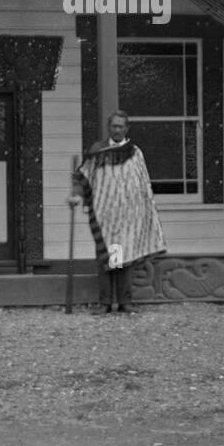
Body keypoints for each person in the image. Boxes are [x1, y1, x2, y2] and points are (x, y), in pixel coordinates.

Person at [72, 110, 167, 313]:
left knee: (124, 257)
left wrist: (144, 209)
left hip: (127, 216)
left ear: (127, 128)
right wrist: (76, 195)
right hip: (105, 214)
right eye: (114, 126)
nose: (117, 129)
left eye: (120, 126)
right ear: (109, 128)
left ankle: (124, 301)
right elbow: (84, 175)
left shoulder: (135, 152)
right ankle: (105, 303)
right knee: (106, 258)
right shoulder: (98, 150)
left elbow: (142, 182)